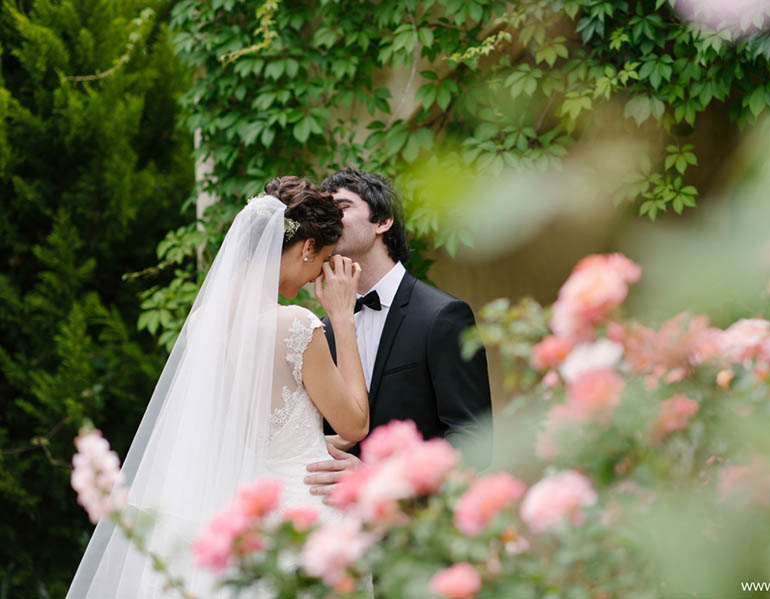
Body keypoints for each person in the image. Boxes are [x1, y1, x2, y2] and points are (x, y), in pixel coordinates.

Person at [66, 179, 368, 598]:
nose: (322, 271)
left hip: (230, 514)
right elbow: (355, 423)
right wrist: (342, 317)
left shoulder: (204, 321)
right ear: (306, 247)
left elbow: (244, 428)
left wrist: (309, 437)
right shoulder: (295, 324)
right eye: (325, 258)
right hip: (298, 517)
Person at [304, 167, 493, 502]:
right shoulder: (324, 329)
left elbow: (473, 442)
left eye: (342, 208)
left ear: (383, 221)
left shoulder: (443, 316)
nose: (329, 220)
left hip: (418, 526)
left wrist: (376, 479)